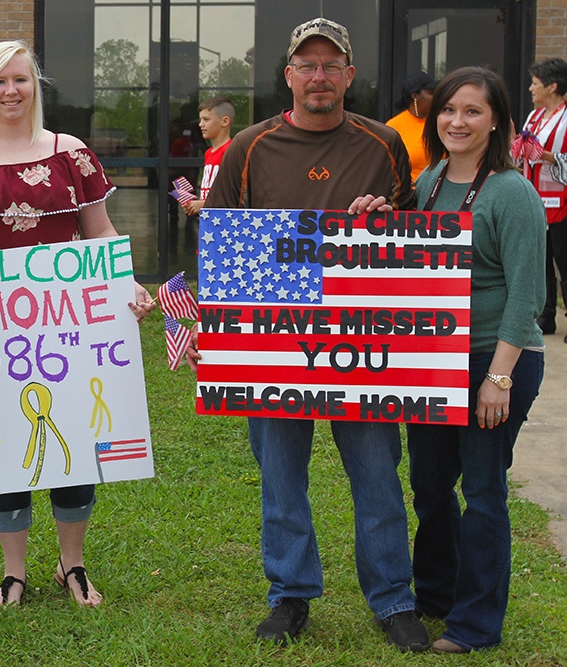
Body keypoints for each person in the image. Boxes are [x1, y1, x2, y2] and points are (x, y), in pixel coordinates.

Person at [187, 18, 429, 651]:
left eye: (331, 66)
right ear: (288, 75)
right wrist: (210, 334)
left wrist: (388, 220)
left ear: (349, 76)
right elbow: (217, 250)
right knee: (281, 476)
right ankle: (290, 595)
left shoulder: (382, 145)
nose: (318, 77)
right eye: (307, 65)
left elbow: (410, 241)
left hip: (362, 344)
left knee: (377, 474)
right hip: (273, 342)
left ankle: (394, 600)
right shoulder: (249, 146)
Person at [0, 40, 155, 607]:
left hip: (67, 327)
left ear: (35, 86)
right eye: (0, 81)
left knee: (73, 436)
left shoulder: (69, 153)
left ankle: (72, 565)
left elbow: (98, 231)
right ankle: (14, 572)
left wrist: (124, 279)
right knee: (1, 441)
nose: (11, 91)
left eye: (21, 80)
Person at [408, 67, 545, 654]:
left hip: (496, 357)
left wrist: (498, 378)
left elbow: (527, 294)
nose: (457, 122)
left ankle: (475, 624)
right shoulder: (431, 180)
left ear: (496, 121)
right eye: (448, 110)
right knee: (430, 485)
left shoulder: (512, 192)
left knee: (483, 489)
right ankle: (435, 595)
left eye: (472, 111)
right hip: (436, 357)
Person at [517, 58, 567, 337]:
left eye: (536, 84)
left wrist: (546, 156)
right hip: (535, 200)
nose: (530, 88)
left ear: (553, 86)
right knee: (542, 259)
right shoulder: (534, 117)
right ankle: (546, 317)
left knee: (564, 258)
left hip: (562, 202)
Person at [181, 96, 235, 218]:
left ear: (225, 121)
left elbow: (234, 195)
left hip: (224, 223)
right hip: (209, 220)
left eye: (206, 119)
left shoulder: (231, 151)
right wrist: (196, 204)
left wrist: (203, 204)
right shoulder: (209, 152)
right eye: (201, 119)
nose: (200, 124)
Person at [386, 71, 438, 181]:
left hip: (440, 191)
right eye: (431, 93)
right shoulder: (393, 127)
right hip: (411, 193)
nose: (436, 97)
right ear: (415, 95)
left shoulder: (440, 122)